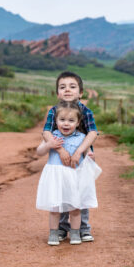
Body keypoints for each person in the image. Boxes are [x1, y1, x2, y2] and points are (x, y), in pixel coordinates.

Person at [43, 71, 98, 242]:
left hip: (81, 156)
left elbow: (92, 132)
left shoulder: (86, 111)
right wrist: (60, 150)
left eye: (72, 87)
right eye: (62, 87)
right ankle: (61, 228)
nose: (67, 90)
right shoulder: (54, 111)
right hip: (61, 158)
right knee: (61, 192)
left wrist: (80, 151)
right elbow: (46, 132)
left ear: (80, 92)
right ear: (58, 92)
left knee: (80, 193)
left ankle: (83, 228)